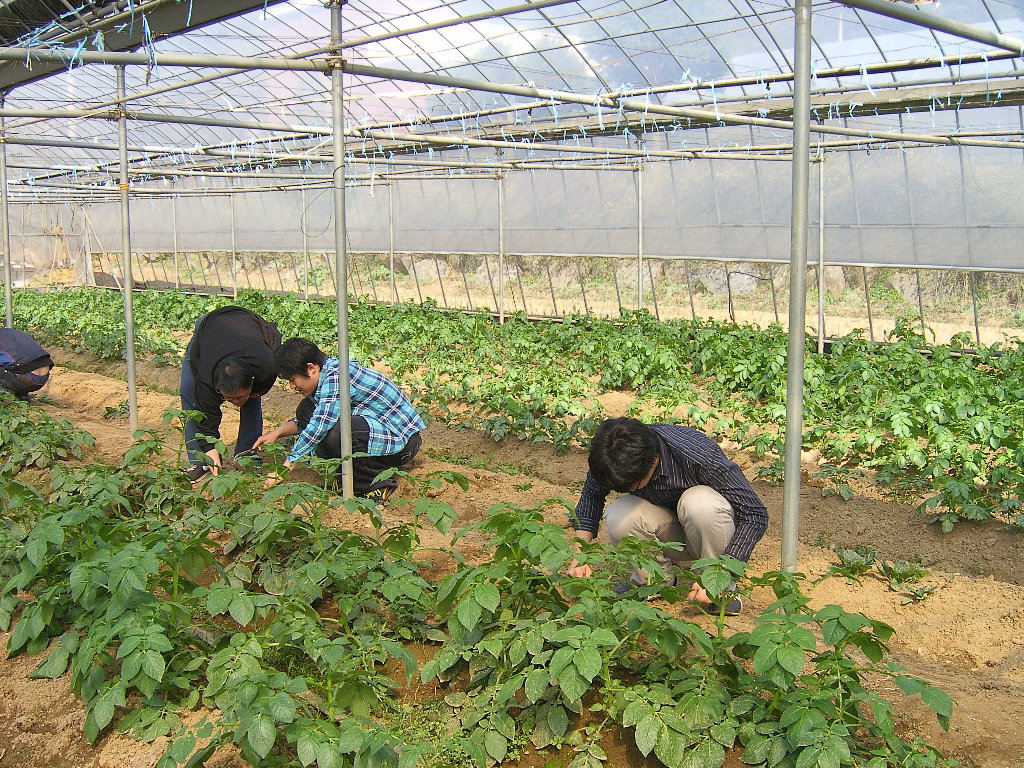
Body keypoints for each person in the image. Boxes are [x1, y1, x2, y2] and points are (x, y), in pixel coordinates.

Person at [566, 417, 768, 615]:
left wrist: (722, 573)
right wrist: (580, 555)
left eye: (629, 486)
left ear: (653, 462)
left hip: (712, 530)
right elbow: (591, 496)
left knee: (699, 502)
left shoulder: (697, 454)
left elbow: (754, 513)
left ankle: (722, 589)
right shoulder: (611, 455)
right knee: (619, 513)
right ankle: (653, 582)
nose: (623, 489)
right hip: (670, 533)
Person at [254, 337, 424, 502]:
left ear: (311, 368)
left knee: (340, 432)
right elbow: (312, 418)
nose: (292, 386)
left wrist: (285, 467)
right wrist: (277, 433)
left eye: (292, 380)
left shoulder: (337, 377)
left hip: (403, 444)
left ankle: (374, 484)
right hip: (380, 434)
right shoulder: (326, 375)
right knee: (306, 409)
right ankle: (345, 478)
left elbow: (320, 425)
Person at [180, 306, 282, 481]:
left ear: (252, 378)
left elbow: (275, 339)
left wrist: (251, 395)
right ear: (217, 388)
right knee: (189, 392)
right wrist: (217, 472)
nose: (235, 402)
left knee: (251, 401)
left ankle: (247, 454)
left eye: (239, 396)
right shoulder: (206, 379)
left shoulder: (266, 369)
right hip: (210, 327)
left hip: (248, 324)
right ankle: (201, 462)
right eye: (229, 398)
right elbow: (206, 426)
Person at [0, 327, 53, 400]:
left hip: (25, 378)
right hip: (44, 377)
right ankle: (21, 395)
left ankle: (5, 397)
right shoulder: (11, 332)